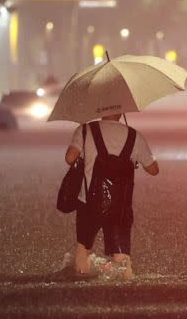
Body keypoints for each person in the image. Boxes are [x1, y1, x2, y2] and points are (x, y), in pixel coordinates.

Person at [64, 114, 159, 279]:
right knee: (121, 254)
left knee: (83, 249)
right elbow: (153, 170)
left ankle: (79, 281)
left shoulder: (85, 130)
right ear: (121, 111)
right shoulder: (134, 136)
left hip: (88, 202)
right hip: (120, 206)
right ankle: (125, 286)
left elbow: (69, 158)